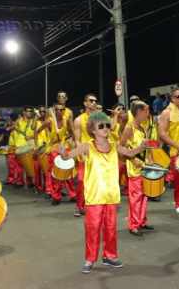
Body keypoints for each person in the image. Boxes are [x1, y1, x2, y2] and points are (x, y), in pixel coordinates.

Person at [60, 112, 147, 274]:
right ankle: (90, 259)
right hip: (94, 196)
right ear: (93, 130)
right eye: (101, 126)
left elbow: (129, 153)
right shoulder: (87, 146)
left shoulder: (114, 145)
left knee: (111, 227)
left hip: (111, 195)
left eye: (107, 125)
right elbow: (68, 157)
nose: (105, 128)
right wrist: (63, 153)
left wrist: (142, 147)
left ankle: (110, 256)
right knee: (93, 228)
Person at [120, 101, 153, 236]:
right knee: (136, 198)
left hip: (144, 167)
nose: (148, 113)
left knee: (144, 196)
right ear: (139, 112)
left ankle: (142, 221)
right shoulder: (129, 128)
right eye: (146, 111)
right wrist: (134, 160)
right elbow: (121, 148)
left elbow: (146, 147)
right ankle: (134, 225)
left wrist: (150, 160)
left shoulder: (142, 127)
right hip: (134, 169)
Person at [73, 94, 99, 217]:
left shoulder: (100, 118)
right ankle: (80, 206)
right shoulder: (79, 120)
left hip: (98, 154)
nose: (94, 102)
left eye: (95, 101)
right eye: (91, 100)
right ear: (85, 103)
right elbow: (77, 140)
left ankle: (94, 205)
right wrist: (81, 153)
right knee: (81, 181)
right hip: (85, 155)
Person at [48, 103, 76, 205]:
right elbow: (37, 131)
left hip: (65, 148)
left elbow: (72, 132)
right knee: (56, 175)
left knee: (68, 173)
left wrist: (70, 139)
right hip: (54, 149)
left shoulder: (66, 120)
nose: (60, 112)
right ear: (54, 111)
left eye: (62, 110)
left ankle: (72, 194)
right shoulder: (50, 121)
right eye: (57, 110)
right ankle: (56, 196)